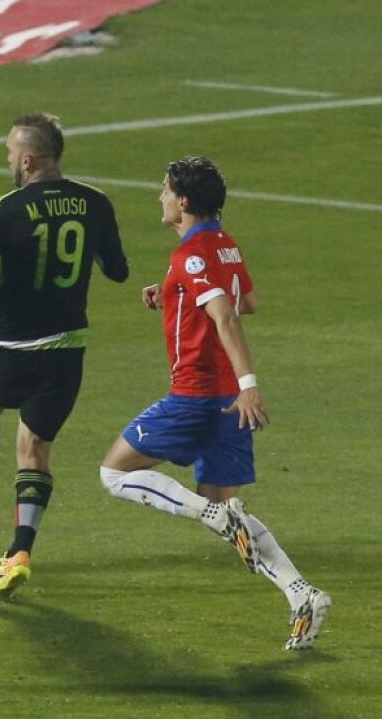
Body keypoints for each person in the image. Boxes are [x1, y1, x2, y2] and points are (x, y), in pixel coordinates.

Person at [98, 156, 330, 650]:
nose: (159, 198)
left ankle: (204, 513)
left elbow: (229, 318)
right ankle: (302, 594)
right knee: (230, 509)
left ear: (183, 202)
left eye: (164, 191)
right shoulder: (223, 245)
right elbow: (247, 299)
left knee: (114, 474)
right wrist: (172, 294)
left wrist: (250, 382)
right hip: (228, 404)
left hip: (197, 396)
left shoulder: (193, 255)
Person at [0, 112, 129, 598]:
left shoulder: (3, 211)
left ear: (29, 159)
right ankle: (18, 552)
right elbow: (117, 270)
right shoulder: (96, 204)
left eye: (11, 154)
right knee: (34, 451)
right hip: (66, 349)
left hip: (10, 342)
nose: (9, 161)